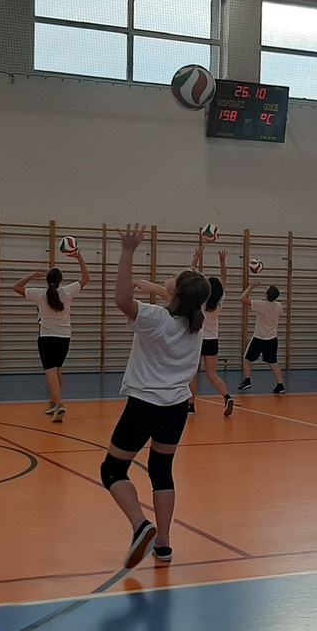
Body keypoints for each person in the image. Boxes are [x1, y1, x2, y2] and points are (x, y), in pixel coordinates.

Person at [100, 224, 211, 568]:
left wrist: (127, 252)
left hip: (144, 405)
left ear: (176, 293)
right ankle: (163, 544)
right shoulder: (196, 323)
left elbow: (121, 300)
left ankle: (140, 525)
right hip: (175, 408)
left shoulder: (155, 319)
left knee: (112, 470)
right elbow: (179, 298)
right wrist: (154, 286)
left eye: (173, 278)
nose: (168, 278)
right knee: (161, 470)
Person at [12, 246, 89, 422]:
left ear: (47, 280)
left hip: (47, 337)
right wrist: (79, 258)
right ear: (60, 281)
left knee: (50, 372)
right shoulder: (67, 292)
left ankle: (60, 404)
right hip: (64, 338)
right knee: (58, 370)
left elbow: (16, 287)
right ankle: (54, 403)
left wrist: (32, 276)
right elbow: (86, 278)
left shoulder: (40, 294)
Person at [189, 239, 234, 417]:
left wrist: (197, 257)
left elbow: (192, 273)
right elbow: (224, 279)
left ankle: (191, 405)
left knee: (193, 374)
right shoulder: (219, 302)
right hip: (212, 340)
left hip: (197, 339)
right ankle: (227, 396)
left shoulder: (201, 300)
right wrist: (222, 261)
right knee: (212, 375)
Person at [238, 283, 285, 394]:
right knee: (273, 362)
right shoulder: (279, 306)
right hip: (272, 338)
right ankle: (280, 385)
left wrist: (250, 287)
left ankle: (247, 381)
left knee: (247, 359)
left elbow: (242, 299)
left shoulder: (260, 304)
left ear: (267, 294)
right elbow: (280, 315)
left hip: (259, 337)